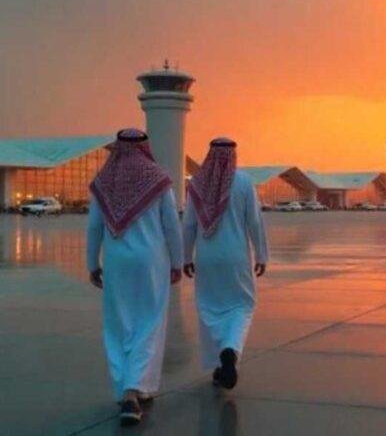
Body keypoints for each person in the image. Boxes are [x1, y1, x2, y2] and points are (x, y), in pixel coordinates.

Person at [86, 129, 184, 427]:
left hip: (117, 262)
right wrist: (177, 262)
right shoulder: (159, 180)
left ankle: (129, 389)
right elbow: (171, 225)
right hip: (152, 262)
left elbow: (94, 227)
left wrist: (92, 264)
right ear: (144, 147)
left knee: (120, 325)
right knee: (149, 323)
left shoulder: (104, 181)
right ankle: (134, 390)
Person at [182, 137, 269, 391]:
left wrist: (185, 257)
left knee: (210, 308)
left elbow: (188, 225)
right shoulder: (243, 182)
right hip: (236, 258)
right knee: (242, 305)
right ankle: (230, 350)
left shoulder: (197, 183)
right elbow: (254, 221)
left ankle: (221, 365)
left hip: (207, 258)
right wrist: (262, 255)